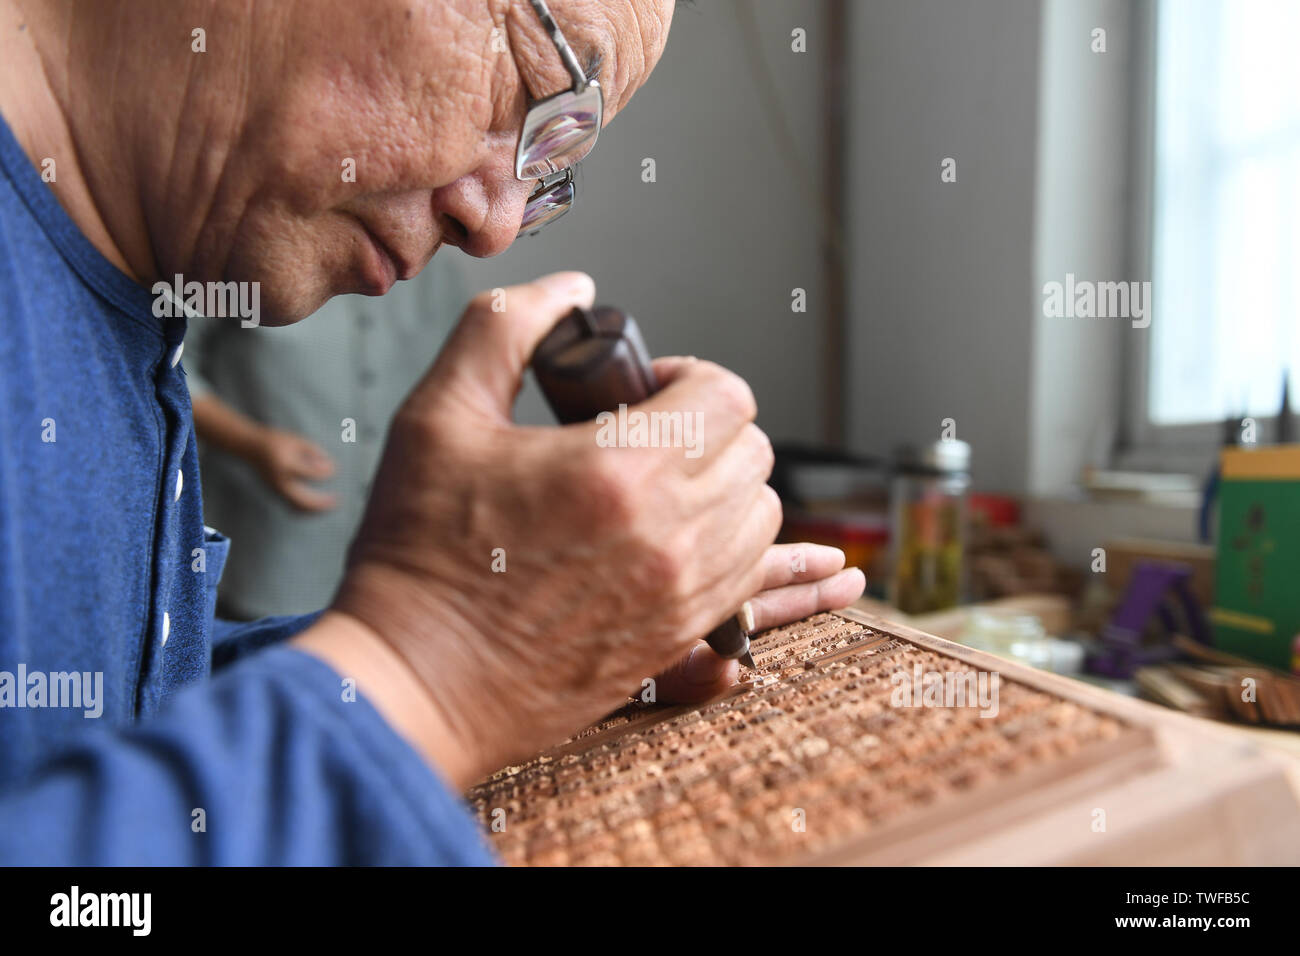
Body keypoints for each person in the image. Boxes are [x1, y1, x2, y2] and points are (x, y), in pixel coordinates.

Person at [0, 0, 865, 864]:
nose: (493, 230)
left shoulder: (121, 291)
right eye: (530, 88)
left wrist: (537, 655)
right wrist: (432, 676)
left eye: (549, 166)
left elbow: (97, 717)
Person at [186, 259, 468, 620]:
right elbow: (170, 364)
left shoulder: (439, 269)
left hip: (402, 571)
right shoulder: (248, 254)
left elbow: (459, 375)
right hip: (265, 559)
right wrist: (250, 443)